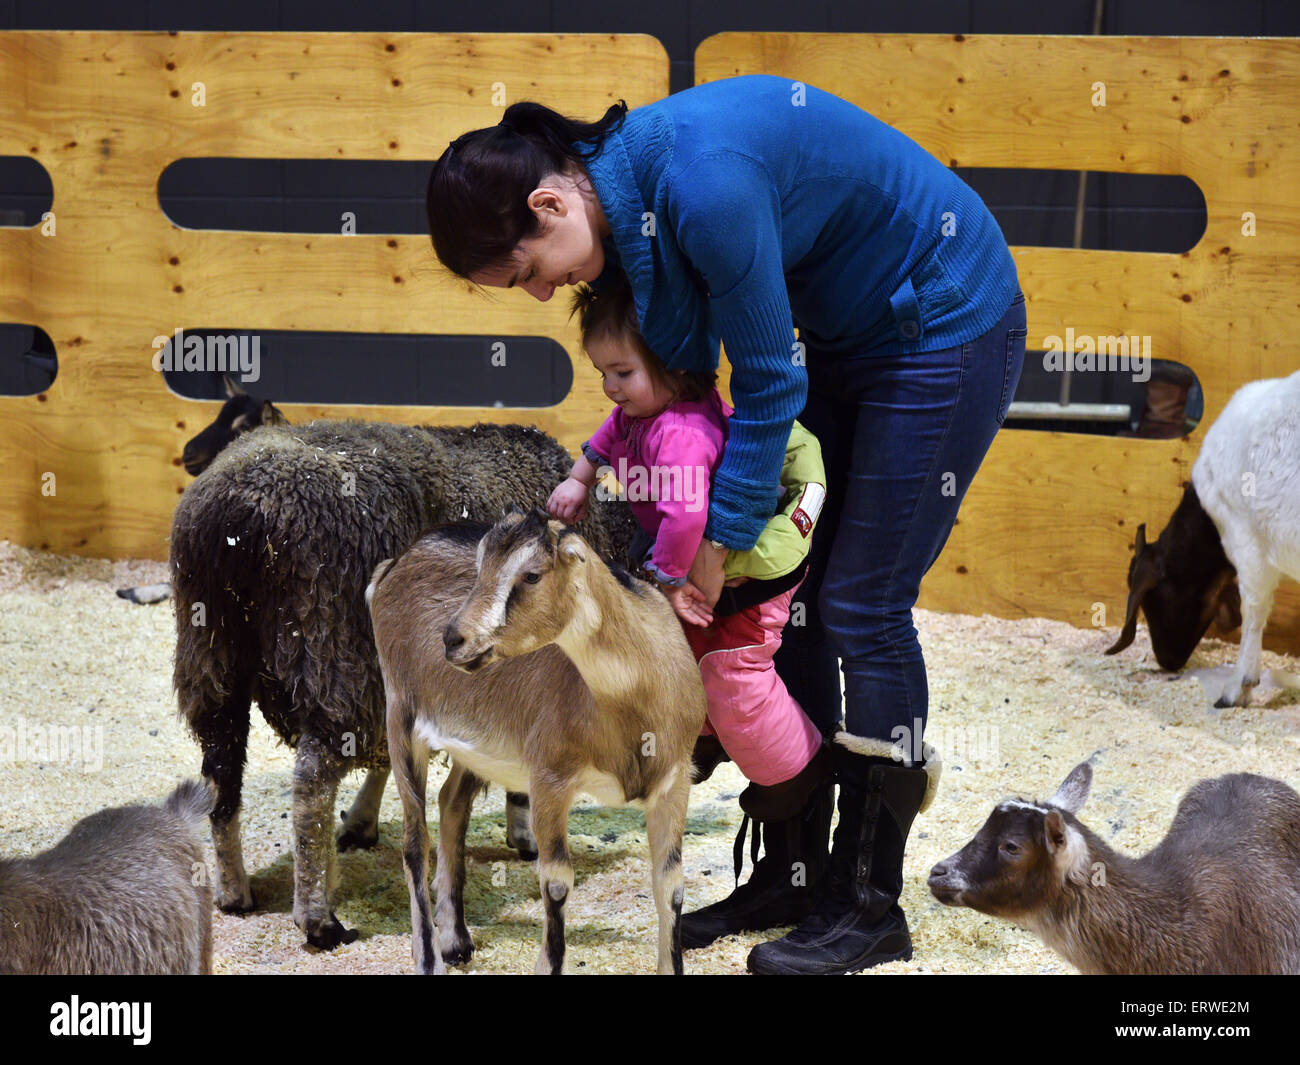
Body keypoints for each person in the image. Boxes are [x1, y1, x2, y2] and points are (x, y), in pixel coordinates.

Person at [426, 73, 1026, 975]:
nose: (544, 295)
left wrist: (715, 546)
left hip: (941, 321)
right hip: (845, 333)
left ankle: (867, 903)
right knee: (791, 594)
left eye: (527, 272)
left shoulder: (702, 190)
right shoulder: (632, 205)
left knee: (863, 604)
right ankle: (793, 870)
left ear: (550, 205)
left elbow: (770, 387)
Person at [546, 275, 835, 946]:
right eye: (603, 372)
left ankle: (800, 771)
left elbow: (686, 514)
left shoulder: (678, 433)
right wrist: (581, 475)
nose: (610, 386)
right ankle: (695, 739)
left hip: (725, 565)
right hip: (675, 555)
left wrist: (670, 583)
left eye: (621, 371)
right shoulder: (641, 410)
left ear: (675, 370)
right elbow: (608, 431)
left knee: (728, 673)